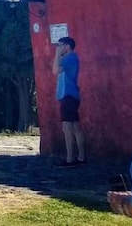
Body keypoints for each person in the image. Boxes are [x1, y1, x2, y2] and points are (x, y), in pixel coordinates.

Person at [53, 36, 85, 166]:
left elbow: (55, 70)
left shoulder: (70, 59)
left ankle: (70, 159)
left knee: (67, 128)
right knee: (76, 127)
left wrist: (57, 55)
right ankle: (81, 157)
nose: (58, 47)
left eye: (60, 45)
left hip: (68, 96)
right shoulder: (71, 59)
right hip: (71, 96)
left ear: (67, 46)